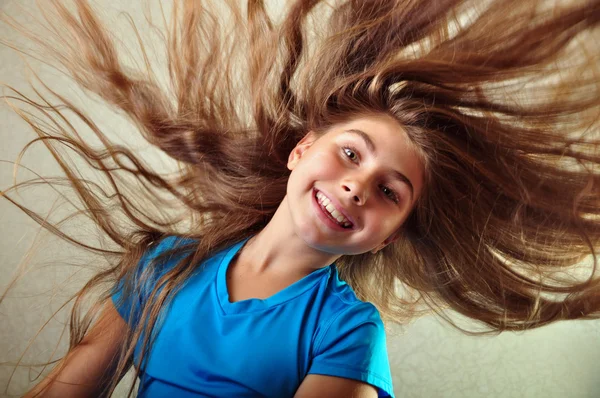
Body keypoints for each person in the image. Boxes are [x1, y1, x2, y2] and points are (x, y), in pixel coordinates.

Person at [1, 0, 599, 396]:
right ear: (301, 150)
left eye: (389, 191)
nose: (356, 187)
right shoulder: (163, 269)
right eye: (349, 153)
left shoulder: (346, 335)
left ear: (389, 234)